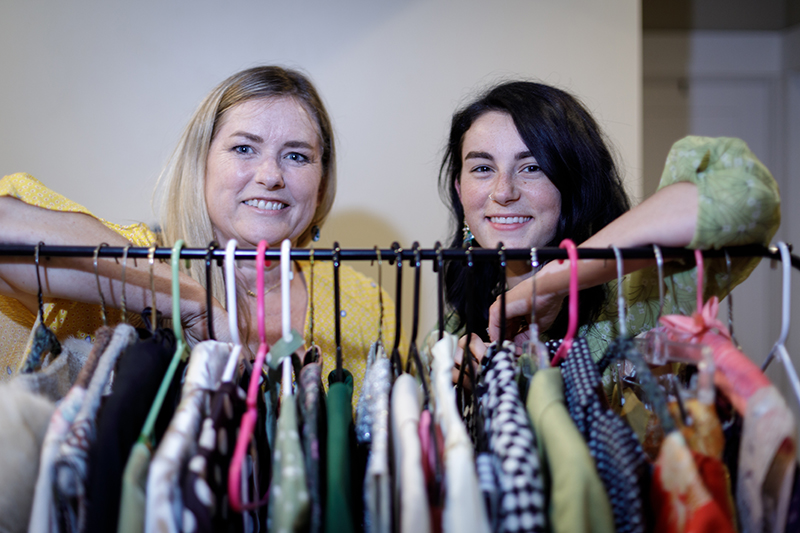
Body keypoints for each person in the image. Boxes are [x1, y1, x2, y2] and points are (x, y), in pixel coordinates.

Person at [0, 65, 399, 391]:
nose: (271, 176)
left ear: (322, 180)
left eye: (296, 156)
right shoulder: (139, 257)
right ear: (201, 164)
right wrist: (191, 302)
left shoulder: (366, 304)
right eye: (244, 148)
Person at [436, 80, 781, 371]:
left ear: (575, 183)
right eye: (482, 168)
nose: (503, 192)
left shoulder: (651, 290)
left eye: (532, 167)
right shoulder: (448, 335)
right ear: (459, 190)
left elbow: (747, 195)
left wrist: (554, 281)